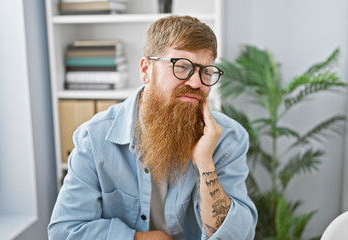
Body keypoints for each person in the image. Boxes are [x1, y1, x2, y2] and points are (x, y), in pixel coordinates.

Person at [48, 15, 257, 240]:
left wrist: (205, 162)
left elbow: (238, 235)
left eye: (205, 71)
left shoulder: (228, 138)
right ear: (146, 70)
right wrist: (140, 238)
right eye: (182, 66)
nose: (196, 83)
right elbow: (64, 232)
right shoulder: (94, 138)